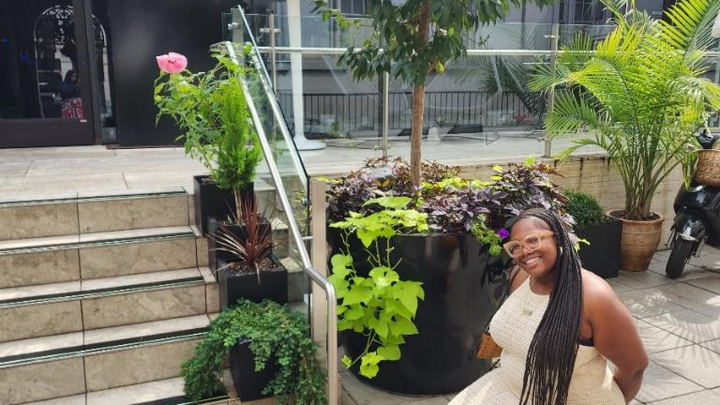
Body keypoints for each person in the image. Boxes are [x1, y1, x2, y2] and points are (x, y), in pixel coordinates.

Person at [449, 208, 647, 405]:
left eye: (533, 240)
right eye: (515, 246)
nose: (525, 251)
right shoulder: (521, 276)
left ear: (558, 238)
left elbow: (635, 367)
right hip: (510, 388)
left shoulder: (593, 297)